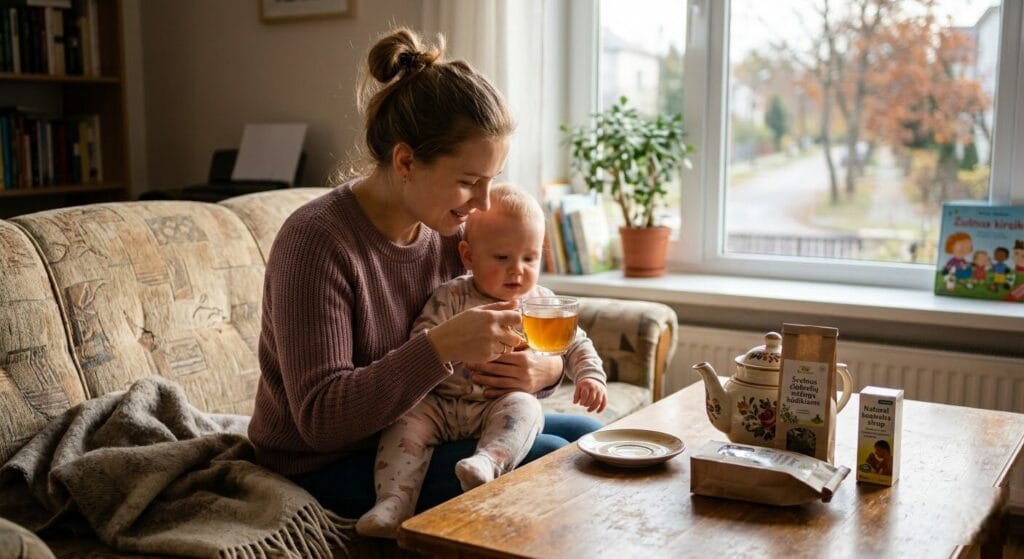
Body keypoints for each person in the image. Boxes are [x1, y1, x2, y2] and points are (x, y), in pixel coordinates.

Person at [246, 27, 602, 520]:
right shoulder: (316, 243)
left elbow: (500, 356)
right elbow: (321, 421)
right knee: (558, 467)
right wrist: (441, 346)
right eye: (467, 182)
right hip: (327, 462)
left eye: (491, 181)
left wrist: (548, 368)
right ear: (406, 161)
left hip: (438, 427)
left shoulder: (450, 233)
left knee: (596, 441)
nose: (482, 203)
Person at [356, 185, 608, 538]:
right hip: (439, 405)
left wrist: (589, 377)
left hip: (495, 407)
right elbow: (421, 343)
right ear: (469, 256)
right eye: (502, 258)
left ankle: (487, 462)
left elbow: (576, 342)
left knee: (527, 409)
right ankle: (393, 502)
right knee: (406, 422)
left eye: (530, 258)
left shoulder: (539, 303)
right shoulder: (451, 296)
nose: (517, 271)